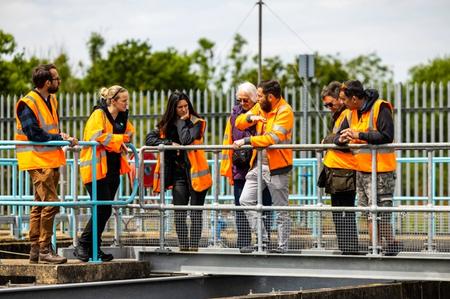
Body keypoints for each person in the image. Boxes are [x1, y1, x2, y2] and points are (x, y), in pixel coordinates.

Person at [15, 63, 77, 264]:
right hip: (36, 159)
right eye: (56, 79)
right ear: (47, 82)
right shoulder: (27, 102)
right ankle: (44, 249)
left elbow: (48, 129)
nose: (59, 82)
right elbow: (33, 132)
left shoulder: (52, 99)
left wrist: (60, 137)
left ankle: (36, 249)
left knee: (41, 205)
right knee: (51, 203)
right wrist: (59, 136)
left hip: (49, 159)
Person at [334, 80, 401, 256]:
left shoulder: (380, 107)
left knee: (377, 211)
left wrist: (358, 135)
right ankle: (389, 244)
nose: (342, 102)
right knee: (367, 211)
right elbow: (337, 136)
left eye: (343, 99)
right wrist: (341, 139)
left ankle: (376, 248)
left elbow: (387, 135)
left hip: (381, 170)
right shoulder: (350, 113)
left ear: (355, 98)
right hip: (362, 170)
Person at [145, 91, 212, 252]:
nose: (183, 109)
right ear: (173, 108)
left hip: (197, 174)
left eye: (185, 106)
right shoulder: (166, 125)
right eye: (180, 107)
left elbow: (186, 140)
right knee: (180, 213)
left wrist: (182, 122)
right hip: (179, 175)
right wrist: (169, 143)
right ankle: (183, 247)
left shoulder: (197, 122)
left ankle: (194, 248)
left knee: (196, 213)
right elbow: (149, 139)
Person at [74, 85, 135, 262]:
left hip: (112, 168)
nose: (126, 104)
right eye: (124, 101)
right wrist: (117, 139)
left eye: (127, 100)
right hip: (95, 169)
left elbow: (130, 133)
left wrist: (119, 139)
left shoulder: (123, 117)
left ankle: (94, 248)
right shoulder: (98, 115)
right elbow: (96, 137)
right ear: (113, 101)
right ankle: (84, 244)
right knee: (101, 209)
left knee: (105, 209)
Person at [233, 80, 294, 253]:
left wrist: (246, 140)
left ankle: (283, 247)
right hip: (258, 164)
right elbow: (239, 122)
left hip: (278, 167)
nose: (257, 99)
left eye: (259, 96)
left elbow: (272, 139)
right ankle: (263, 239)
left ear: (271, 97)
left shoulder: (285, 111)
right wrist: (251, 117)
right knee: (245, 200)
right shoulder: (261, 107)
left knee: (281, 209)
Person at [220, 82, 272, 252]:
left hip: (259, 166)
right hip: (240, 168)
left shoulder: (261, 111)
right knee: (241, 206)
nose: (242, 104)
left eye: (245, 101)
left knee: (264, 206)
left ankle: (264, 241)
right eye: (239, 100)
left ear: (254, 99)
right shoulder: (235, 115)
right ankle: (244, 242)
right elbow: (232, 135)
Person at [319, 81, 359, 254]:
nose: (329, 107)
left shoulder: (348, 114)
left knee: (345, 211)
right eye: (326, 105)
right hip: (336, 170)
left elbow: (344, 140)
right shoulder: (338, 116)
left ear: (340, 99)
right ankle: (346, 247)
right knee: (338, 212)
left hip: (345, 170)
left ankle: (349, 248)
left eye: (330, 103)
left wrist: (327, 140)